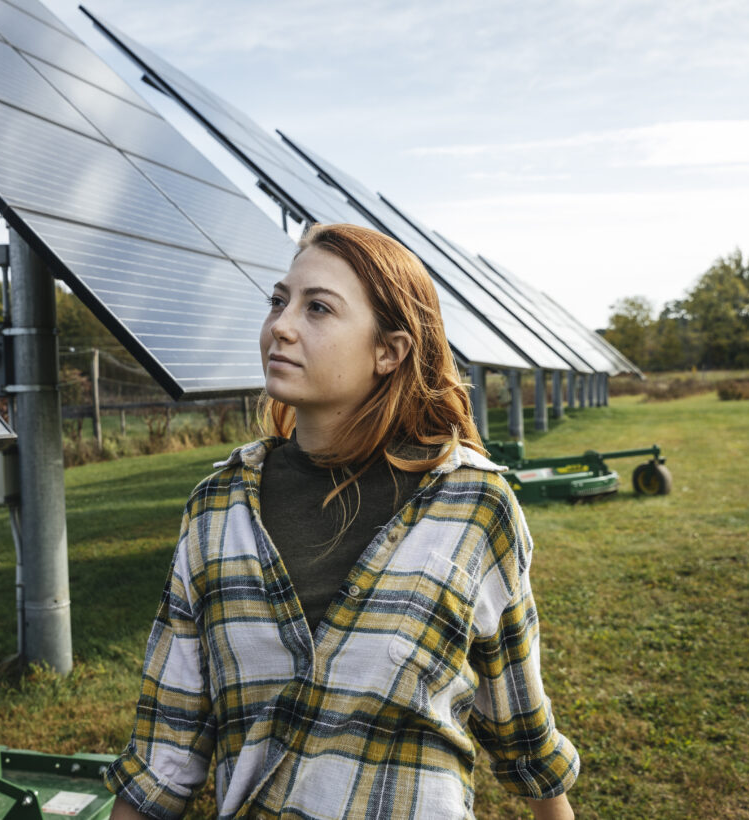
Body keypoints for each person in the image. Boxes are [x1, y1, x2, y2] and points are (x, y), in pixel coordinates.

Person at [105, 223, 579, 819]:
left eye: (318, 308)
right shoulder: (217, 508)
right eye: (279, 301)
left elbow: (522, 731)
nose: (281, 324)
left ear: (390, 351)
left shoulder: (474, 506)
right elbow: (163, 752)